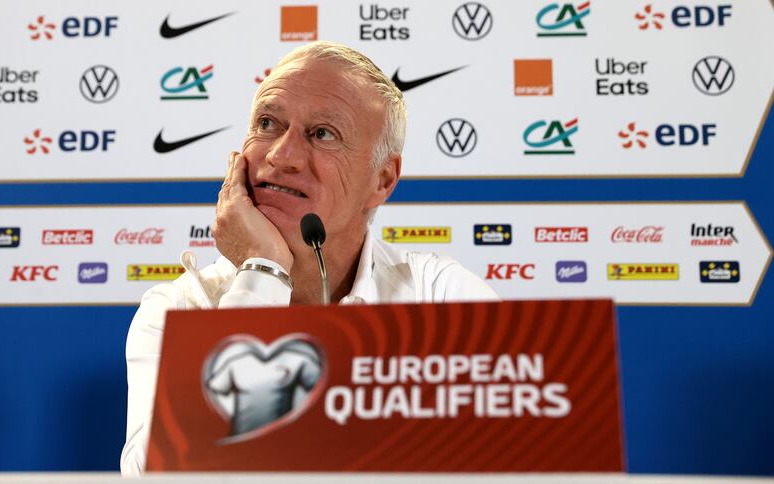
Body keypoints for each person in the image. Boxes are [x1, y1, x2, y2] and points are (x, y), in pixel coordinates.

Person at [120, 41, 498, 476]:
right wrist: (261, 274)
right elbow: (162, 474)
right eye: (267, 123)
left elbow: (519, 463)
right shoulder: (179, 310)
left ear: (383, 180)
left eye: (322, 134)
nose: (280, 156)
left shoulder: (444, 301)